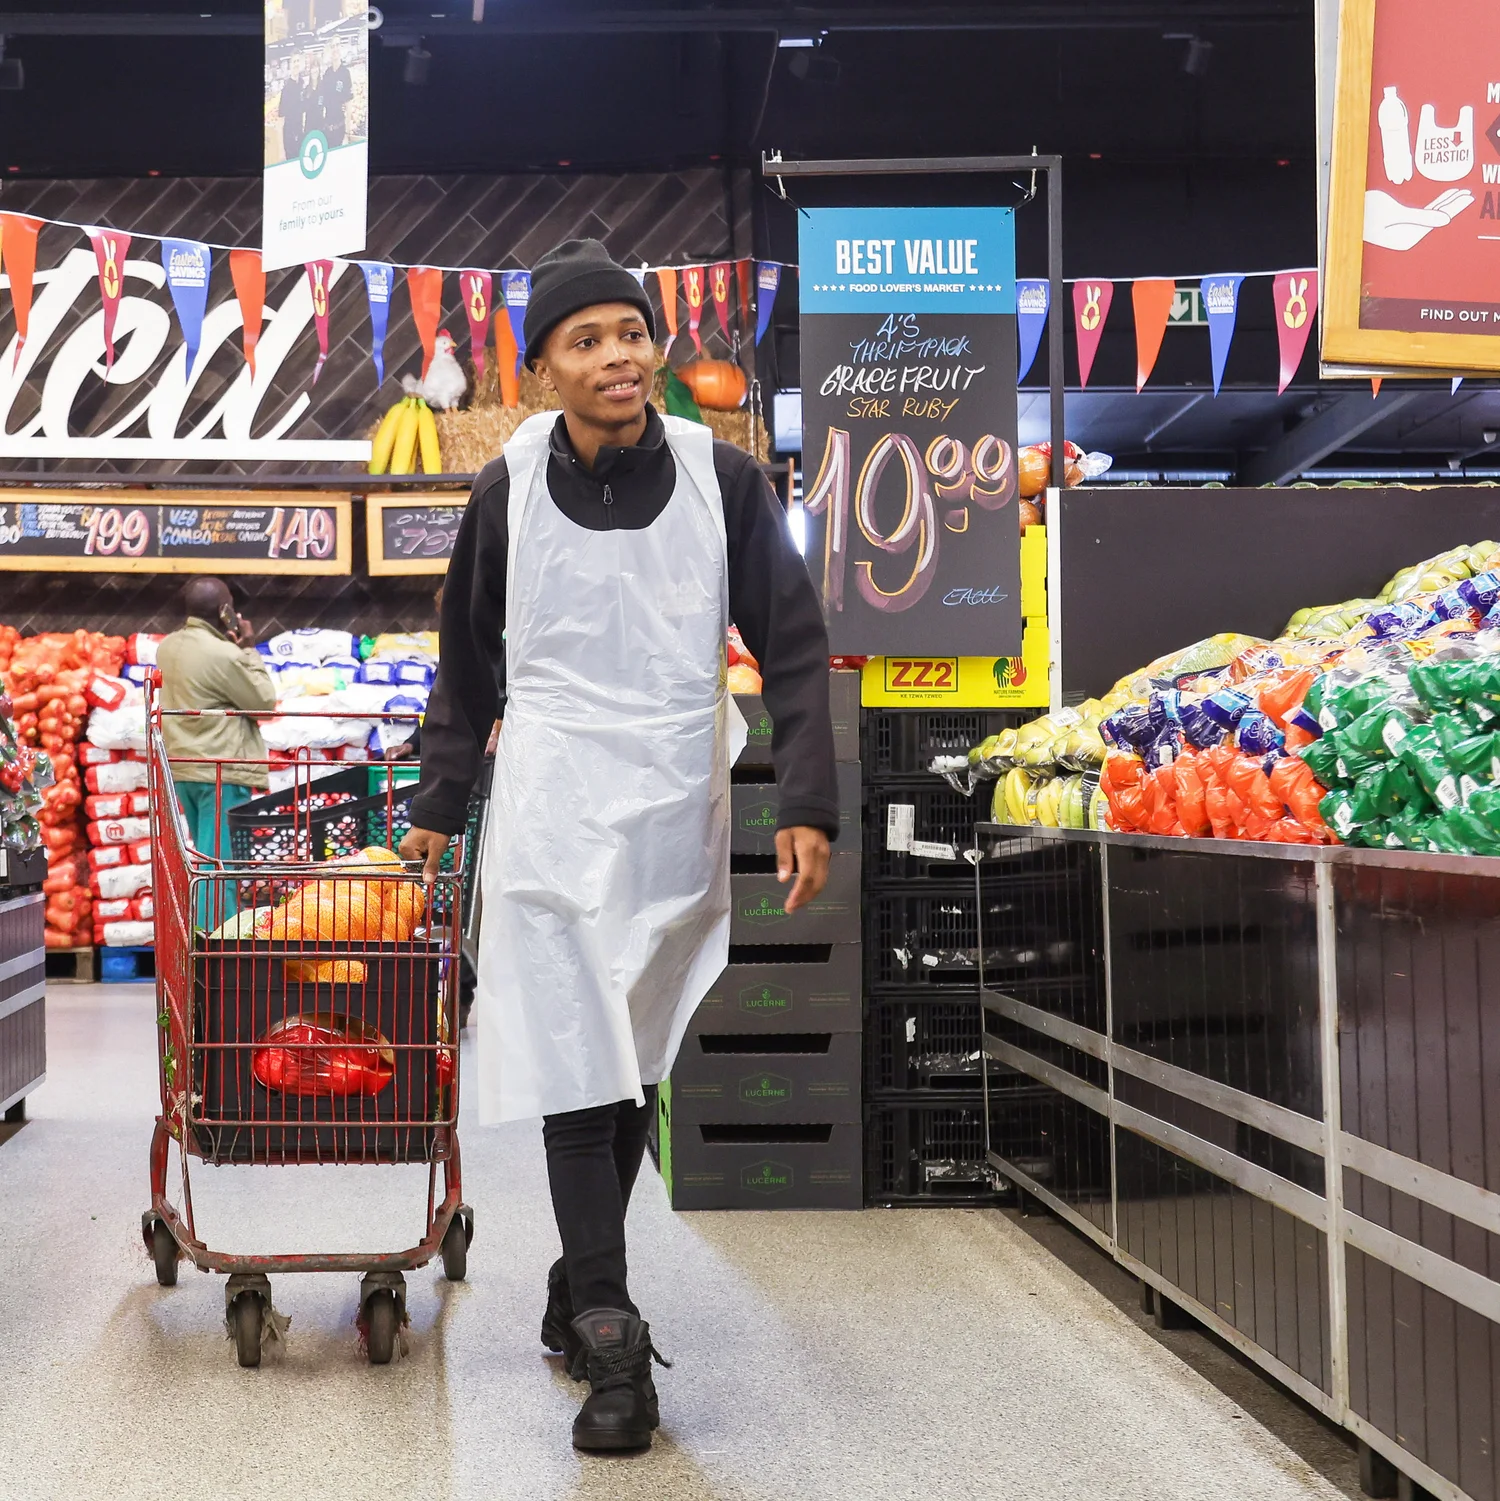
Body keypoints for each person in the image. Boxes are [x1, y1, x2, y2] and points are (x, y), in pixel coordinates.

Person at [400, 238, 838, 1453]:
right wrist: (438, 811)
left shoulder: (723, 477)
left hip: (667, 799)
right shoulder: (505, 488)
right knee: (570, 1056)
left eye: (631, 333)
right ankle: (611, 1334)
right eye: (586, 340)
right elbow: (466, 670)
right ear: (543, 368)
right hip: (546, 798)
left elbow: (793, 646)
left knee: (633, 1057)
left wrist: (807, 797)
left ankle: (572, 1273)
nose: (619, 356)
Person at [156, 578, 275, 928]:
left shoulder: (168, 646)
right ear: (226, 612)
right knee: (218, 866)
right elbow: (264, 703)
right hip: (221, 770)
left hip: (184, 769)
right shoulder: (225, 654)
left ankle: (204, 935)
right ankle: (216, 946)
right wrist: (249, 646)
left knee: (202, 857)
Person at [278, 57, 305, 164]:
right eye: (294, 62)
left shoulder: (302, 84)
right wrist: (281, 150)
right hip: (289, 140)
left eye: (298, 61)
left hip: (300, 136)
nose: (296, 64)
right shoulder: (286, 90)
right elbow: (280, 122)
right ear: (290, 66)